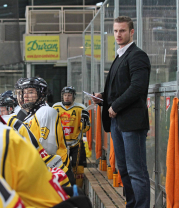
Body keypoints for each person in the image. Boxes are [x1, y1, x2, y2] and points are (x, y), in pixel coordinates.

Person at [92, 16, 151, 208]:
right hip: (118, 121)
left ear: (131, 32)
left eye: (122, 31)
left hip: (131, 122)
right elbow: (120, 88)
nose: (118, 34)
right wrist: (104, 97)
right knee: (124, 169)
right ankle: (131, 204)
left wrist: (115, 106)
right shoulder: (120, 56)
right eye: (116, 31)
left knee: (136, 170)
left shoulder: (137, 55)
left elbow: (138, 87)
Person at [15, 77, 75, 185]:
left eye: (31, 92)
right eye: (24, 92)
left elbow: (48, 148)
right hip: (45, 171)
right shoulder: (30, 114)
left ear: (41, 94)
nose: (25, 95)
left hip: (57, 173)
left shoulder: (46, 111)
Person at [53, 86, 90, 187]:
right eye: (65, 95)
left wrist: (85, 121)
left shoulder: (81, 108)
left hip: (76, 143)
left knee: (78, 169)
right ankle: (63, 189)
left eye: (69, 95)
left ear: (73, 96)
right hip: (61, 144)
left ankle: (77, 191)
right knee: (61, 167)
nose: (67, 97)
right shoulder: (56, 108)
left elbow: (86, 128)